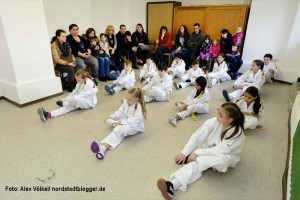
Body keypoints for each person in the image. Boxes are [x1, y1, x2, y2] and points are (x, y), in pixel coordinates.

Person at [157, 102, 245, 200]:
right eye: (218, 111)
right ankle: (171, 185)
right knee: (197, 164)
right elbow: (197, 136)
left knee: (220, 159)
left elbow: (220, 150)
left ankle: (193, 162)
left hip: (224, 157)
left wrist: (197, 152)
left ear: (230, 119)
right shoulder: (215, 121)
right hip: (207, 153)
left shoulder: (237, 132)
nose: (217, 115)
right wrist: (184, 152)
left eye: (220, 115)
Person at [90, 87, 146, 160]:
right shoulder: (126, 101)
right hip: (125, 120)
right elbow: (121, 111)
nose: (127, 100)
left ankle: (103, 147)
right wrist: (111, 116)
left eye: (129, 99)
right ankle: (102, 149)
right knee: (111, 122)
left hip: (134, 126)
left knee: (119, 128)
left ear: (137, 99)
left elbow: (134, 122)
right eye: (126, 98)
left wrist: (120, 122)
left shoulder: (139, 107)